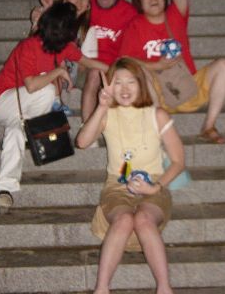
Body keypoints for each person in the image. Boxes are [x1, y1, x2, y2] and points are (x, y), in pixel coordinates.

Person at [76, 57, 184, 294]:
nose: (124, 89)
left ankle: (164, 288)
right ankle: (102, 288)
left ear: (141, 83)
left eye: (131, 82)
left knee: (144, 219)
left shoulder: (157, 115)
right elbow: (82, 142)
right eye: (118, 83)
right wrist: (101, 106)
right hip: (117, 185)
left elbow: (178, 161)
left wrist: (155, 187)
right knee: (124, 219)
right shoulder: (107, 114)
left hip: (154, 183)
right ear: (109, 86)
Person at [0, 2, 108, 213]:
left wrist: (121, 69)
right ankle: (33, 130)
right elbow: (31, 86)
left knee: (15, 131)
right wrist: (58, 72)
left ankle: (3, 190)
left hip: (23, 111)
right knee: (47, 90)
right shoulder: (28, 46)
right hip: (1, 101)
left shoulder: (63, 47)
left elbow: (88, 62)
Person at [118, 0, 225, 144]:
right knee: (139, 72)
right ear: (139, 3)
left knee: (224, 65)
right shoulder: (135, 26)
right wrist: (156, 65)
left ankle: (208, 126)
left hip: (187, 85)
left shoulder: (175, 15)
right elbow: (125, 60)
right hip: (157, 94)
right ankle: (158, 127)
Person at [81, 0, 137, 122]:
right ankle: (87, 127)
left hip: (114, 67)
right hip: (84, 66)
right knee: (94, 73)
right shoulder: (84, 4)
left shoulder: (129, 12)